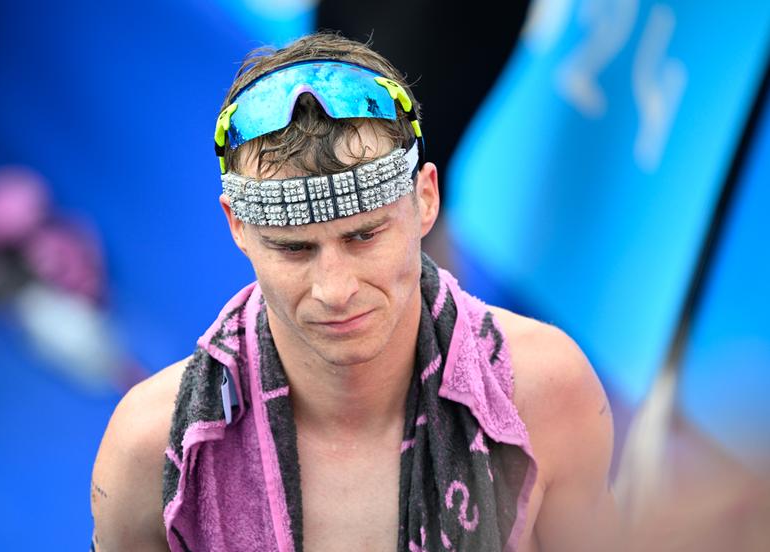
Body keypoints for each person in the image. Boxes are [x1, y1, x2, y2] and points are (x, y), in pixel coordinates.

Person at [91, 33, 617, 552]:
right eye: (295, 249)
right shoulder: (150, 447)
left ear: (426, 199)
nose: (335, 290)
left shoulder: (547, 393)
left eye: (364, 237)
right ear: (238, 228)